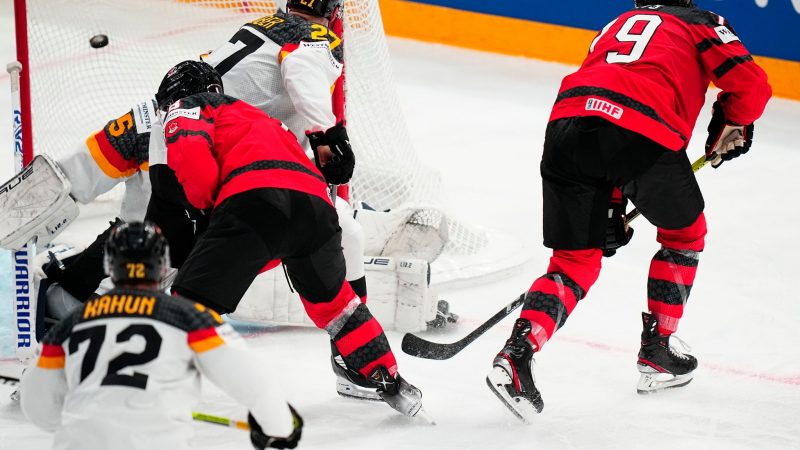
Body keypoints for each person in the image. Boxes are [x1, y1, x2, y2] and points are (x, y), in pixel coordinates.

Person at [486, 0, 771, 423]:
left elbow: (605, 106)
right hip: (640, 128)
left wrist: (611, 202)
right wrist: (732, 120)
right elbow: (752, 85)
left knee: (573, 263)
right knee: (684, 233)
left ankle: (515, 356)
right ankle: (658, 353)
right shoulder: (699, 22)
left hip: (566, 126)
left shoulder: (617, 23)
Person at [151, 62, 429, 421]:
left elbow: (189, 153)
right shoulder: (259, 118)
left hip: (255, 203)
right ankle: (389, 378)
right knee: (338, 308)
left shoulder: (189, 104)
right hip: (317, 211)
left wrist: (207, 210)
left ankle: (148, 387)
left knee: (188, 302)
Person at [20, 221, 303, 450]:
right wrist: (279, 426)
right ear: (161, 265)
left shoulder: (69, 325)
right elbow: (252, 379)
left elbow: (37, 408)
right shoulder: (189, 317)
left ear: (110, 267)